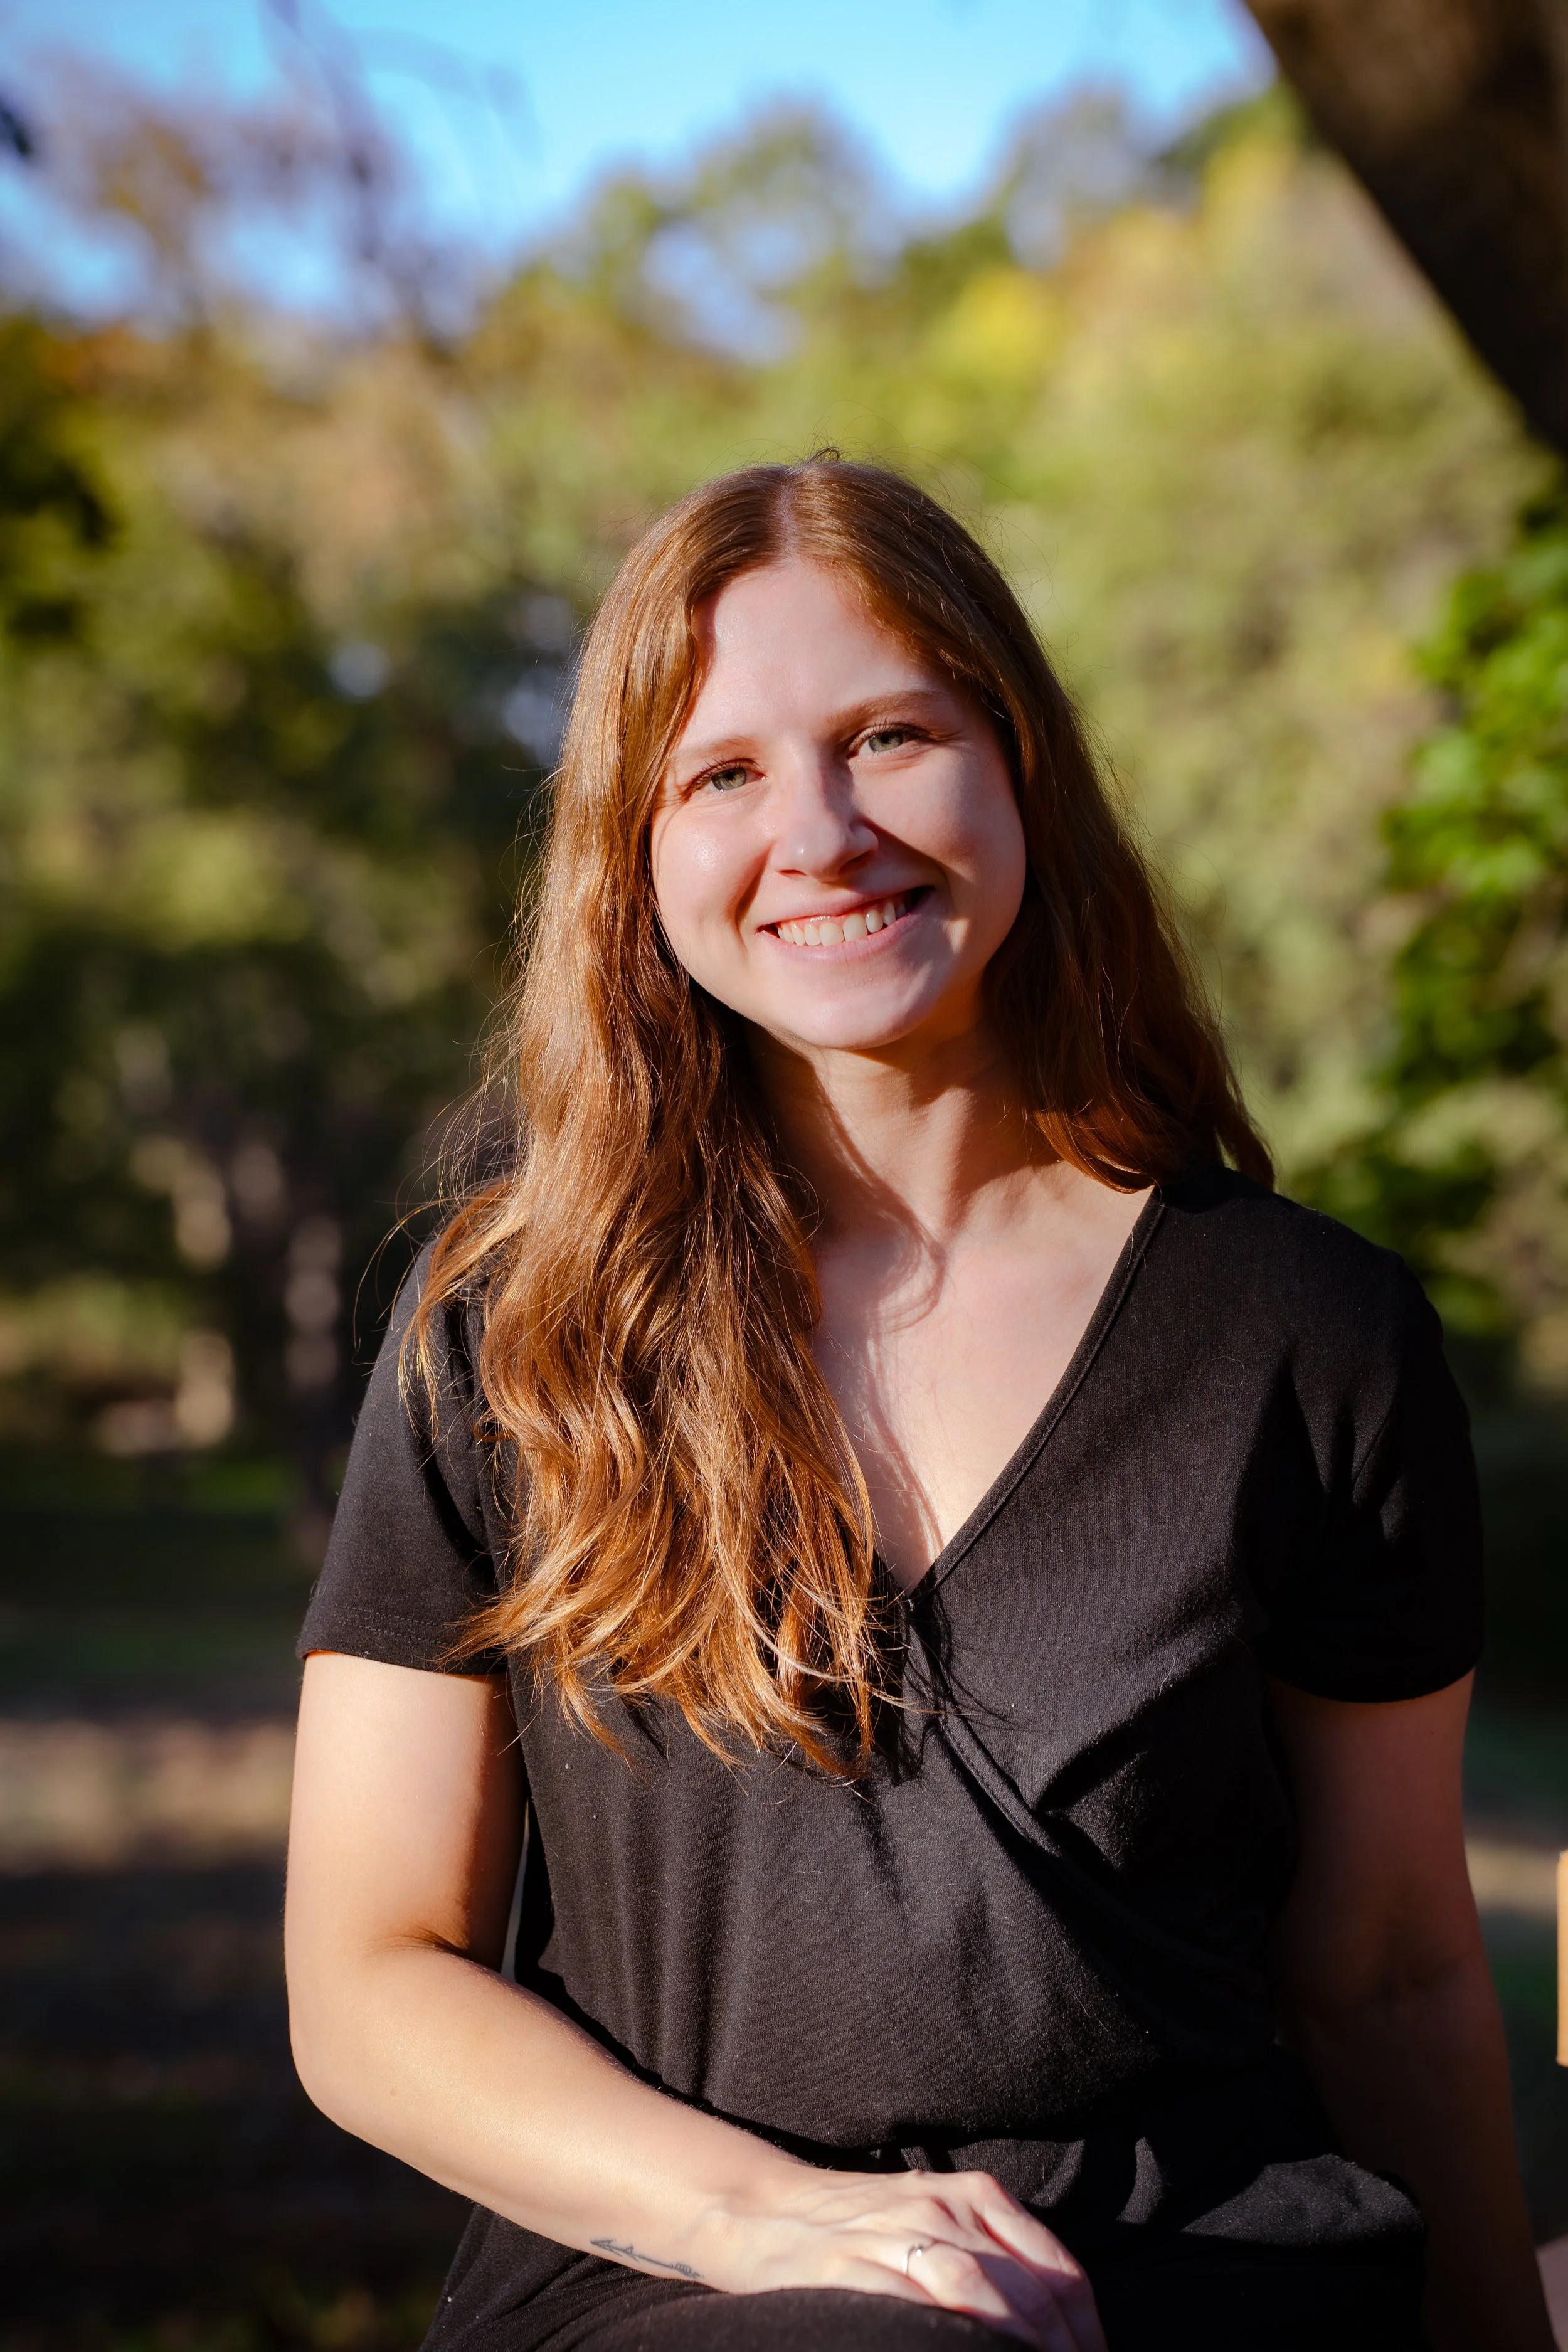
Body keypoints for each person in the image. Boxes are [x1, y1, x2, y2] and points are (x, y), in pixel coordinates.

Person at [284, 457, 1555, 2352]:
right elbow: (368, 1974)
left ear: (1016, 765)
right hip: (678, 2278)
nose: (815, 831)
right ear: (632, 855)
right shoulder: (512, 1328)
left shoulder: (1309, 1329)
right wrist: (774, 2219)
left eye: (886, 736)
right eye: (719, 774)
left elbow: (1381, 1964)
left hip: (1208, 2280)